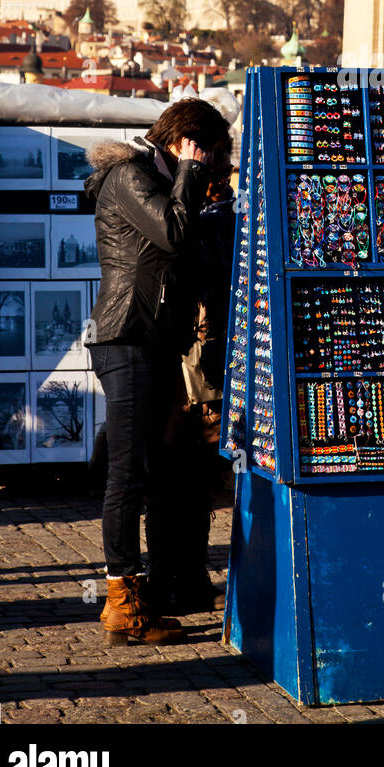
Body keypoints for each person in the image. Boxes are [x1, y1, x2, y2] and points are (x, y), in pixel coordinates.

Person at [84, 98, 231, 645]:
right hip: (128, 339)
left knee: (147, 471)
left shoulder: (157, 176)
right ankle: (121, 606)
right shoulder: (130, 174)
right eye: (207, 152)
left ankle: (146, 593)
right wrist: (191, 171)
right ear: (186, 141)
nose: (212, 164)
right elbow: (173, 233)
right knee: (127, 474)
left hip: (152, 341)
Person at [151, 152, 236, 616]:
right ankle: (189, 577)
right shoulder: (228, 222)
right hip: (209, 369)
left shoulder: (195, 225)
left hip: (184, 368)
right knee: (194, 481)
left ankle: (169, 578)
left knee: (173, 481)